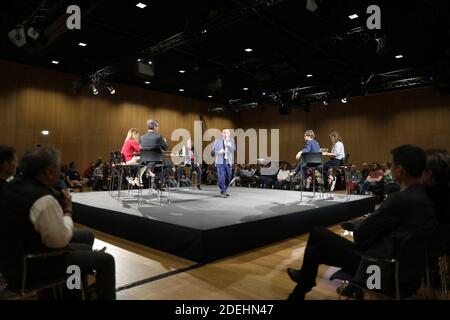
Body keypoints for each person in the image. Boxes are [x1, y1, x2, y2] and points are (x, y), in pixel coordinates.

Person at [286, 145, 437, 300]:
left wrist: (358, 225)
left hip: (377, 268)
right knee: (313, 251)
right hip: (405, 272)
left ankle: (305, 282)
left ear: (399, 170)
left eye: (391, 165)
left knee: (317, 232)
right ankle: (299, 291)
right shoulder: (425, 196)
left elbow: (362, 233)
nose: (390, 169)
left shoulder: (399, 200)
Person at [0, 147, 116, 299]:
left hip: (11, 262)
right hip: (32, 266)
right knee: (106, 260)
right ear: (48, 172)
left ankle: (72, 292)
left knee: (84, 248)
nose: (61, 173)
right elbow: (60, 241)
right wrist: (67, 210)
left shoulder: (9, 188)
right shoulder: (44, 199)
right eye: (58, 168)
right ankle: (74, 293)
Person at [140, 119, 169, 186]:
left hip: (145, 161)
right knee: (169, 166)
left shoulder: (141, 137)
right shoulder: (159, 137)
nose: (158, 128)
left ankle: (156, 181)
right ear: (155, 127)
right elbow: (166, 147)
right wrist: (164, 140)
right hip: (157, 160)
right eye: (158, 126)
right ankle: (157, 180)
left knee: (160, 166)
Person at [213, 129, 236, 198]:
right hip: (220, 162)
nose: (225, 134)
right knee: (221, 177)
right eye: (224, 133)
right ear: (222, 134)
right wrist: (218, 152)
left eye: (227, 133)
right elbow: (212, 152)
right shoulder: (217, 141)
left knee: (229, 177)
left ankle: (224, 189)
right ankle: (223, 191)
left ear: (229, 134)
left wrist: (229, 146)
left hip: (228, 162)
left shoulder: (231, 141)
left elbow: (234, 150)